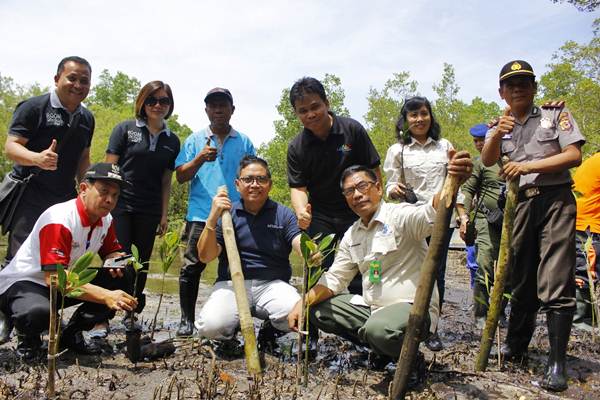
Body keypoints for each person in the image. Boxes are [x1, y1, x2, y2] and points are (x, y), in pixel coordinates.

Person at [287, 155, 472, 367]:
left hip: (412, 309)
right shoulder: (352, 235)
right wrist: (301, 304)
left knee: (378, 329)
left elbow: (431, 209)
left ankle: (410, 359)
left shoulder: (400, 215)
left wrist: (454, 180)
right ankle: (382, 349)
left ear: (378, 188)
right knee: (318, 311)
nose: (357, 195)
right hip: (373, 309)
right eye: (349, 191)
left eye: (362, 186)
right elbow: (335, 279)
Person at [481, 60, 585, 392]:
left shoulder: (556, 116)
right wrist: (496, 131)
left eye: (524, 82)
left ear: (534, 87)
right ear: (501, 92)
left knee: (554, 280)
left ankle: (557, 364)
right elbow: (486, 159)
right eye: (511, 85)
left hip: (555, 199)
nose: (518, 88)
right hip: (521, 205)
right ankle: (516, 346)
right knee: (521, 277)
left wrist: (528, 165)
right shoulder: (501, 124)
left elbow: (573, 156)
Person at [0, 163, 137, 362]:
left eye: (115, 195)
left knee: (125, 274)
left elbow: (112, 251)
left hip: (61, 282)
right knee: (38, 312)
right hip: (26, 283)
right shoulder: (60, 220)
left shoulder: (105, 219)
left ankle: (72, 333)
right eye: (104, 192)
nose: (109, 200)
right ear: (83, 189)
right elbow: (55, 280)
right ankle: (28, 342)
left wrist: (116, 259)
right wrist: (106, 295)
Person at [383, 96, 467, 351]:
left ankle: (431, 329)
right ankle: (407, 321)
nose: (419, 119)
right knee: (409, 271)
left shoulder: (444, 146)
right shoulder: (398, 150)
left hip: (441, 218)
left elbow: (455, 185)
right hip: (410, 219)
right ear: (405, 120)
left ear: (430, 116)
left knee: (436, 274)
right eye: (413, 115)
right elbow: (389, 184)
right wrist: (394, 190)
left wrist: (463, 216)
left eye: (423, 114)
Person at [195, 156, 302, 352]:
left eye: (261, 179)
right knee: (211, 326)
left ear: (269, 184)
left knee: (300, 314)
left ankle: (271, 330)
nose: (255, 184)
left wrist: (309, 251)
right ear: (237, 184)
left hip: (273, 285)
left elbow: (298, 241)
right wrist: (212, 218)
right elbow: (205, 256)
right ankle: (230, 332)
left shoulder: (284, 214)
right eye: (248, 179)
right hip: (231, 284)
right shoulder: (227, 214)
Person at [287, 76, 382, 295]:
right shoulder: (297, 147)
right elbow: (298, 187)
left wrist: (376, 206)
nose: (310, 114)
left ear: (326, 103)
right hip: (321, 214)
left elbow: (374, 171)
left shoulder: (352, 130)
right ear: (296, 114)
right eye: (303, 111)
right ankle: (311, 324)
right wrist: (301, 211)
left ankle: (367, 312)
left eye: (315, 107)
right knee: (317, 266)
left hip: (357, 209)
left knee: (367, 264)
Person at [174, 88, 255, 337]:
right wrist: (199, 159)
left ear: (232, 109)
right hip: (201, 215)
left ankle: (234, 319)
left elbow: (252, 177)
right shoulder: (194, 140)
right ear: (206, 110)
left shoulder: (244, 142)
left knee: (235, 267)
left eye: (223, 105)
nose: (218, 110)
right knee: (191, 267)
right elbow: (180, 176)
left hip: (236, 213)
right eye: (213, 106)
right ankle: (186, 320)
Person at [3, 56, 94, 264]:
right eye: (72, 78)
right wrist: (37, 158)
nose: (78, 85)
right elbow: (11, 146)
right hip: (29, 195)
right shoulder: (34, 107)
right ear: (56, 78)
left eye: (84, 81)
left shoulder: (87, 118)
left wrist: (87, 190)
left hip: (64, 198)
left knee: (59, 257)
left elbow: (84, 157)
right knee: (20, 258)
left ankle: (52, 297)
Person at [105, 81, 180, 315]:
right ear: (143, 102)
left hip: (150, 209)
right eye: (152, 100)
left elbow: (166, 180)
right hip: (122, 205)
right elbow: (109, 169)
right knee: (119, 260)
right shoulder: (125, 129)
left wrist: (164, 214)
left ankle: (131, 314)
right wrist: (105, 205)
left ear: (170, 105)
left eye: (163, 101)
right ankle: (103, 316)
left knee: (142, 264)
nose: (158, 105)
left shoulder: (172, 140)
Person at [459, 123, 506, 329]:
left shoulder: (513, 160)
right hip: (486, 221)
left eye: (482, 141)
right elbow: (467, 191)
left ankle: (500, 311)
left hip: (512, 222)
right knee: (485, 263)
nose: (479, 145)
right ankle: (480, 313)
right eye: (476, 141)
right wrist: (464, 218)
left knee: (509, 269)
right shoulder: (481, 164)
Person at [572, 151, 600, 331]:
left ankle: (590, 318)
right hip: (587, 223)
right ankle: (580, 319)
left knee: (592, 268)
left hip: (588, 221)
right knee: (586, 269)